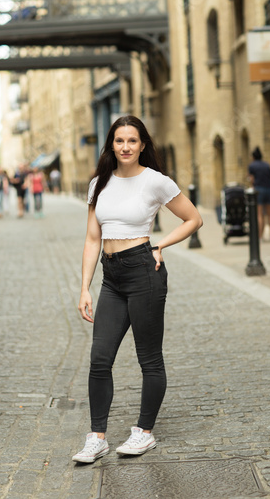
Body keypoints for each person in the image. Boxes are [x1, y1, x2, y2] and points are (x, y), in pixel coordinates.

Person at [72, 115, 203, 464]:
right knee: (99, 358)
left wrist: (161, 246)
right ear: (111, 145)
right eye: (119, 141)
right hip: (111, 277)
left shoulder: (155, 182)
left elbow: (193, 219)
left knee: (149, 358)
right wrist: (84, 288)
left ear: (143, 144)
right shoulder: (99, 183)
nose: (126, 147)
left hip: (144, 271)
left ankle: (144, 432)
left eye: (132, 141)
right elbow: (92, 238)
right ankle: (96, 438)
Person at [248, 146, 270, 240]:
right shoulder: (267, 165)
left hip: (259, 190)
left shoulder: (252, 165)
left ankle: (261, 235)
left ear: (253, 157)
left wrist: (252, 187)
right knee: (269, 213)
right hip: (269, 189)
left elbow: (251, 179)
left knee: (260, 214)